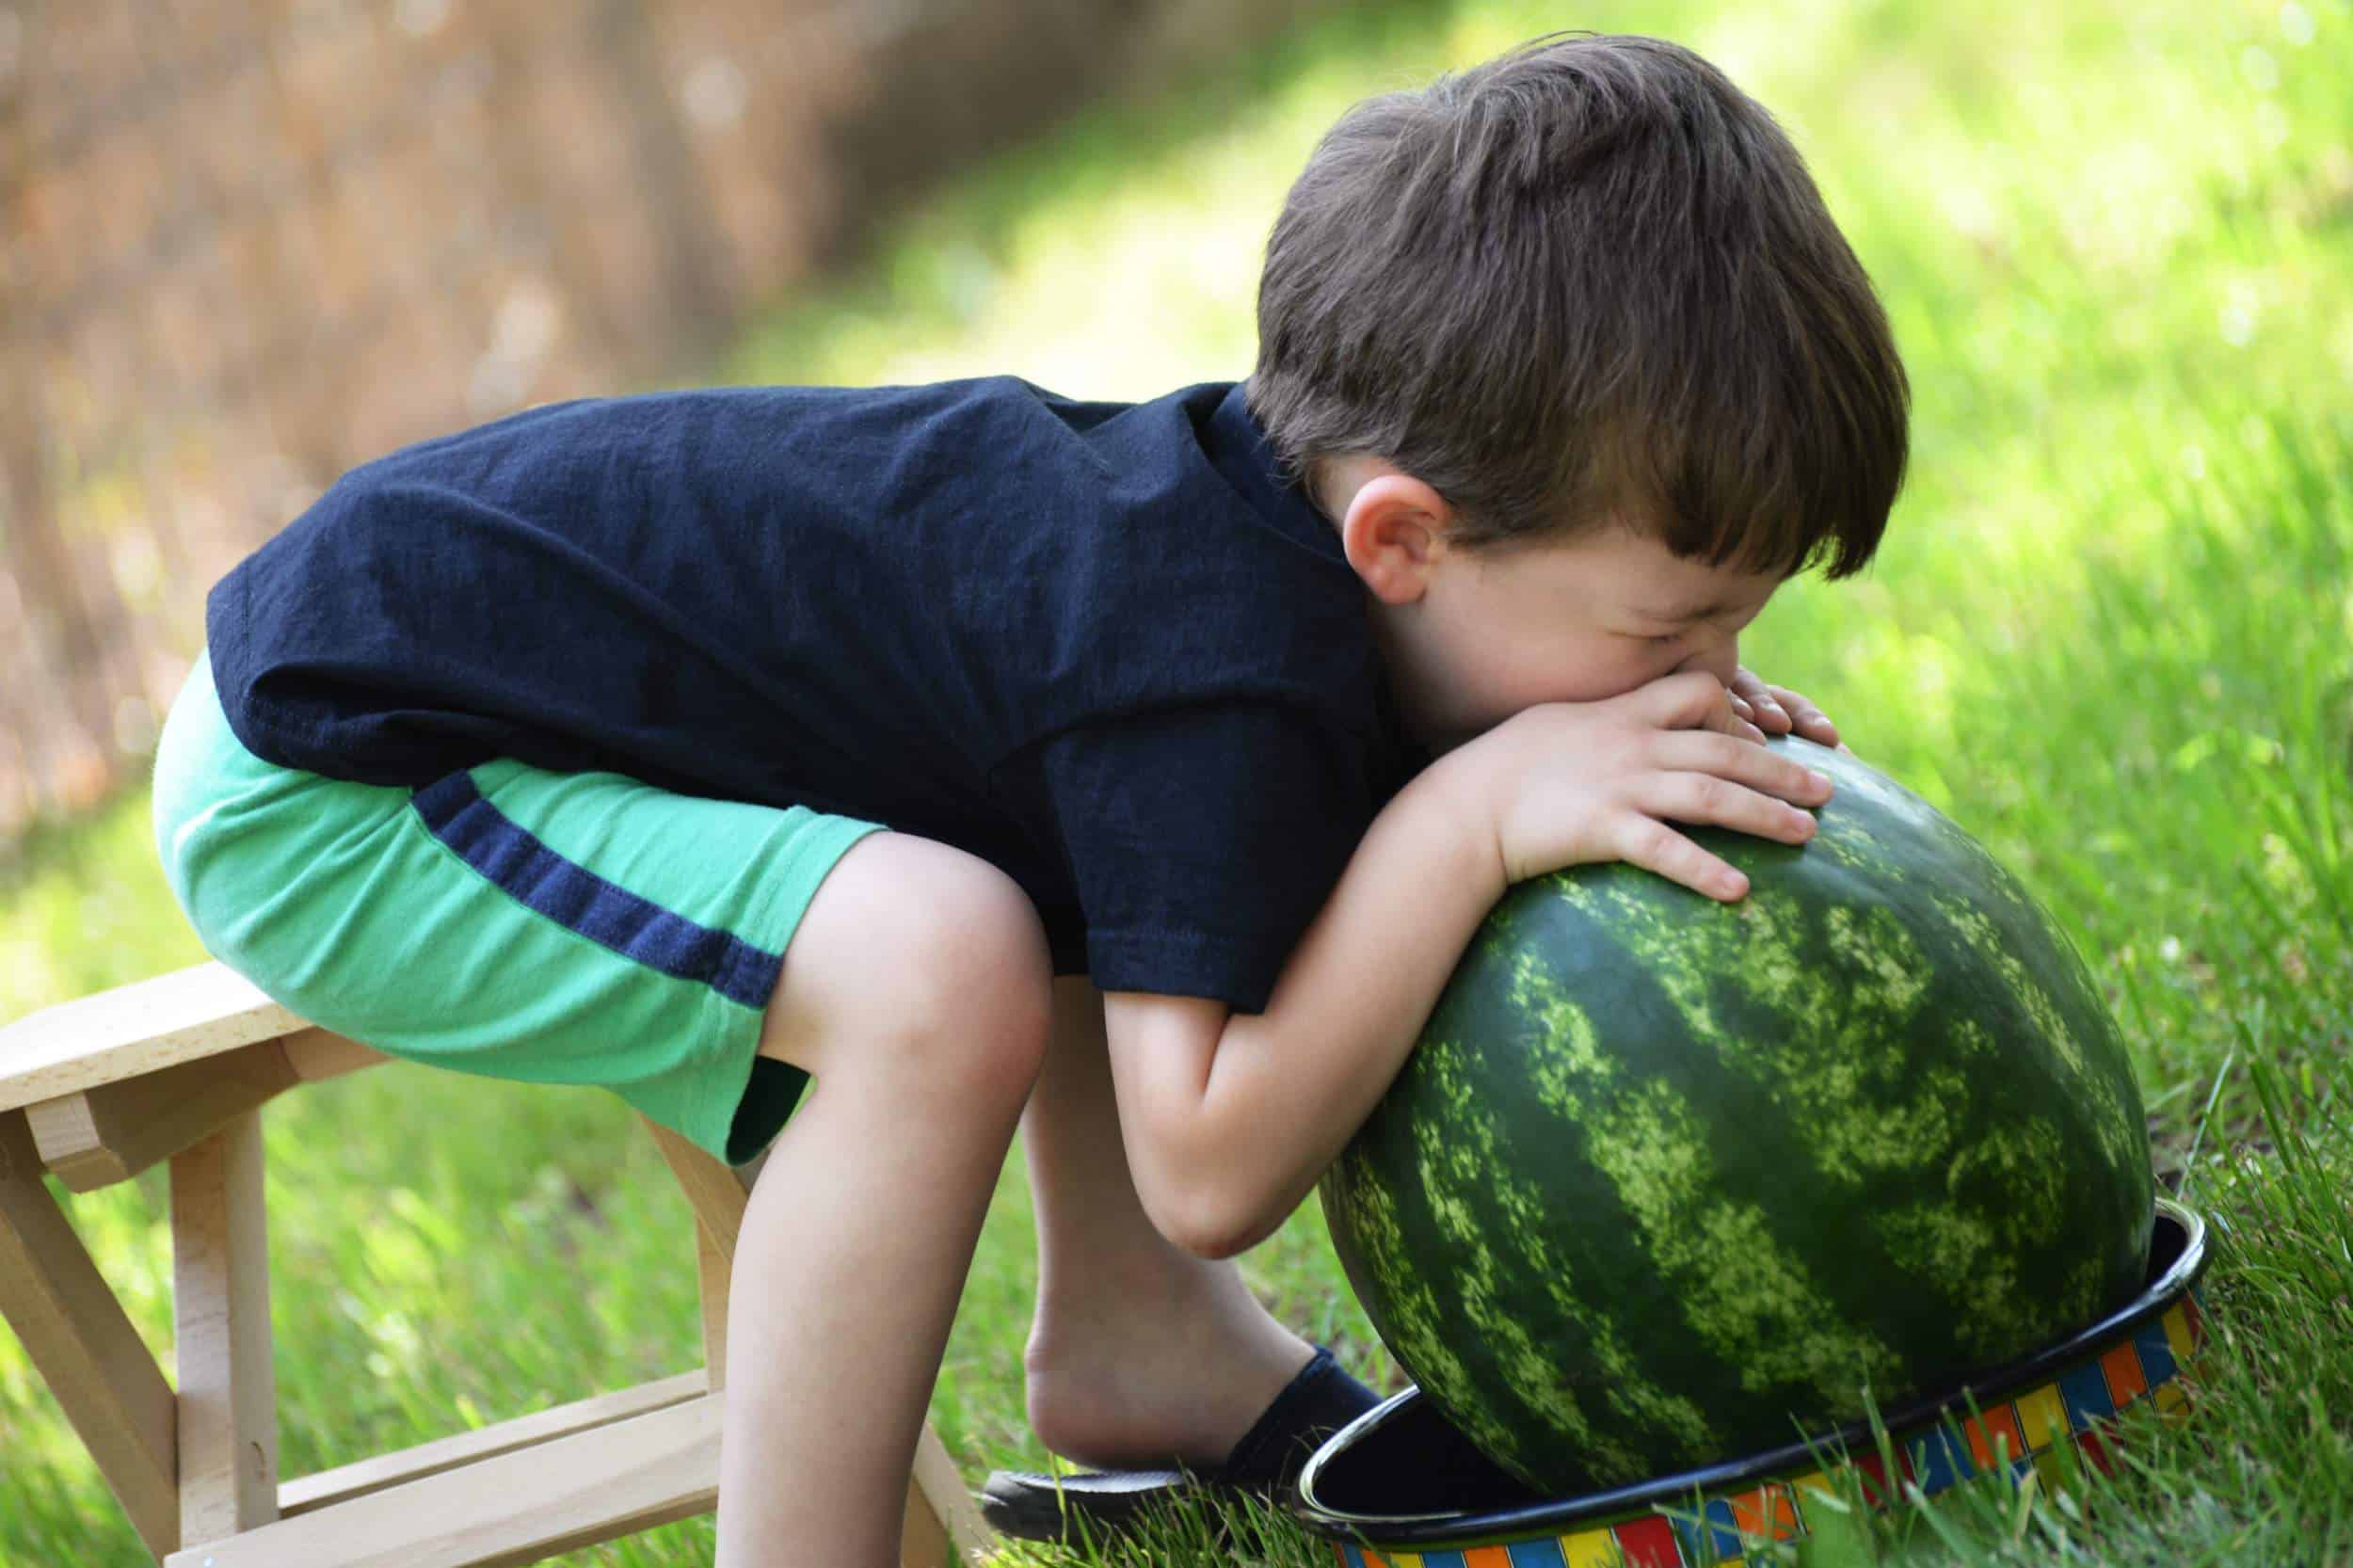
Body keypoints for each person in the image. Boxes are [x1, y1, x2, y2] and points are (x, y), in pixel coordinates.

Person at [148, 28, 1906, 1567]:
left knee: (1021, 830)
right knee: (940, 963)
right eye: (1671, 625)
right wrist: (1476, 817)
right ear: (1403, 539)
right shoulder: (1216, 669)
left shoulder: (1274, 571)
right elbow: (1212, 1152)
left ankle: (1141, 1339)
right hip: (336, 774)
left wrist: (1549, 721)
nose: (1697, 677)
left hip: (433, 680)